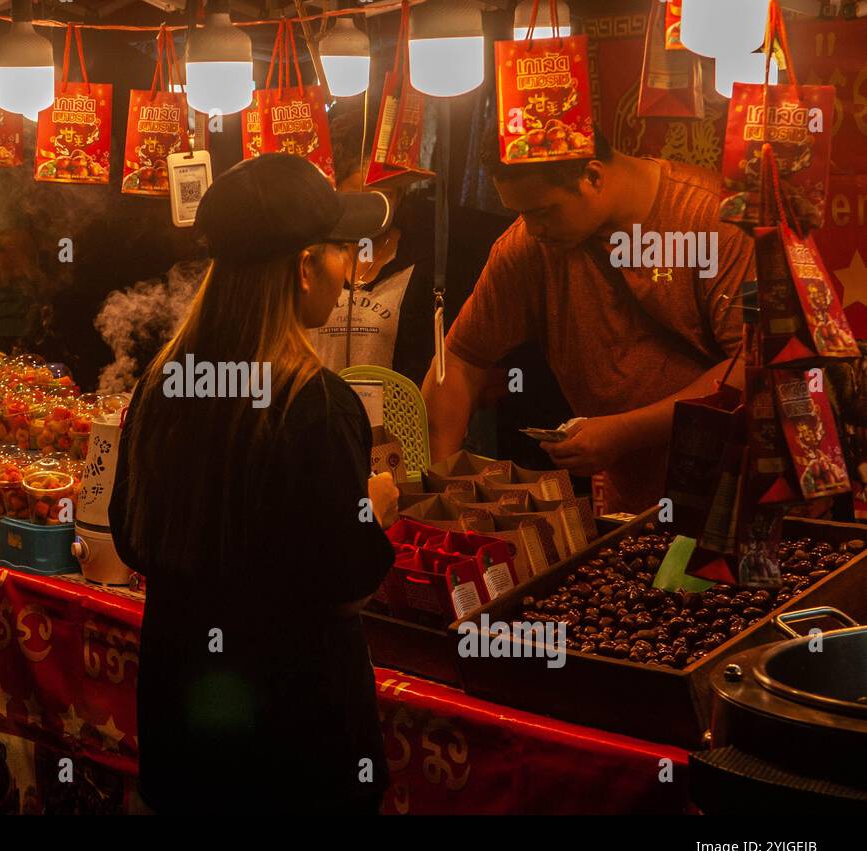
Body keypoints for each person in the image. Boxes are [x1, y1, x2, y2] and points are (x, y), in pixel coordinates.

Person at [109, 153, 400, 814]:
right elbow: (346, 574)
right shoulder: (315, 404)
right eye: (338, 252)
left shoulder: (162, 385)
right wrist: (372, 508)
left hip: (185, 736)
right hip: (294, 751)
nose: (348, 271)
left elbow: (129, 535)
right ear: (303, 266)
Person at [423, 130, 753, 512]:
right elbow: (459, 363)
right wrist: (437, 492)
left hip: (740, 496)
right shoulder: (528, 248)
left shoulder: (718, 219)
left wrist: (624, 432)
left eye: (542, 212)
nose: (532, 229)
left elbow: (752, 366)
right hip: (635, 504)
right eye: (521, 213)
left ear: (593, 177)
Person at [308, 110, 513, 387]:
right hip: (323, 421)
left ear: (400, 194)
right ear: (335, 193)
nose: (373, 210)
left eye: (384, 196)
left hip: (400, 424)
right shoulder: (313, 260)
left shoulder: (426, 262)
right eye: (358, 198)